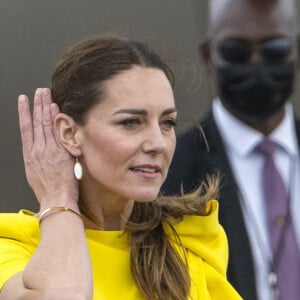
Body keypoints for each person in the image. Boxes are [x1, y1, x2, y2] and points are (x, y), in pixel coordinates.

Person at [0, 36, 241, 300]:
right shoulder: (12, 244)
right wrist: (58, 196)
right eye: (130, 122)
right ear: (69, 133)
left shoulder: (190, 237)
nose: (158, 143)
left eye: (167, 123)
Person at [162, 0, 300, 299]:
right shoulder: (170, 172)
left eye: (274, 49)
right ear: (209, 55)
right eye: (236, 52)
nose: (256, 63)